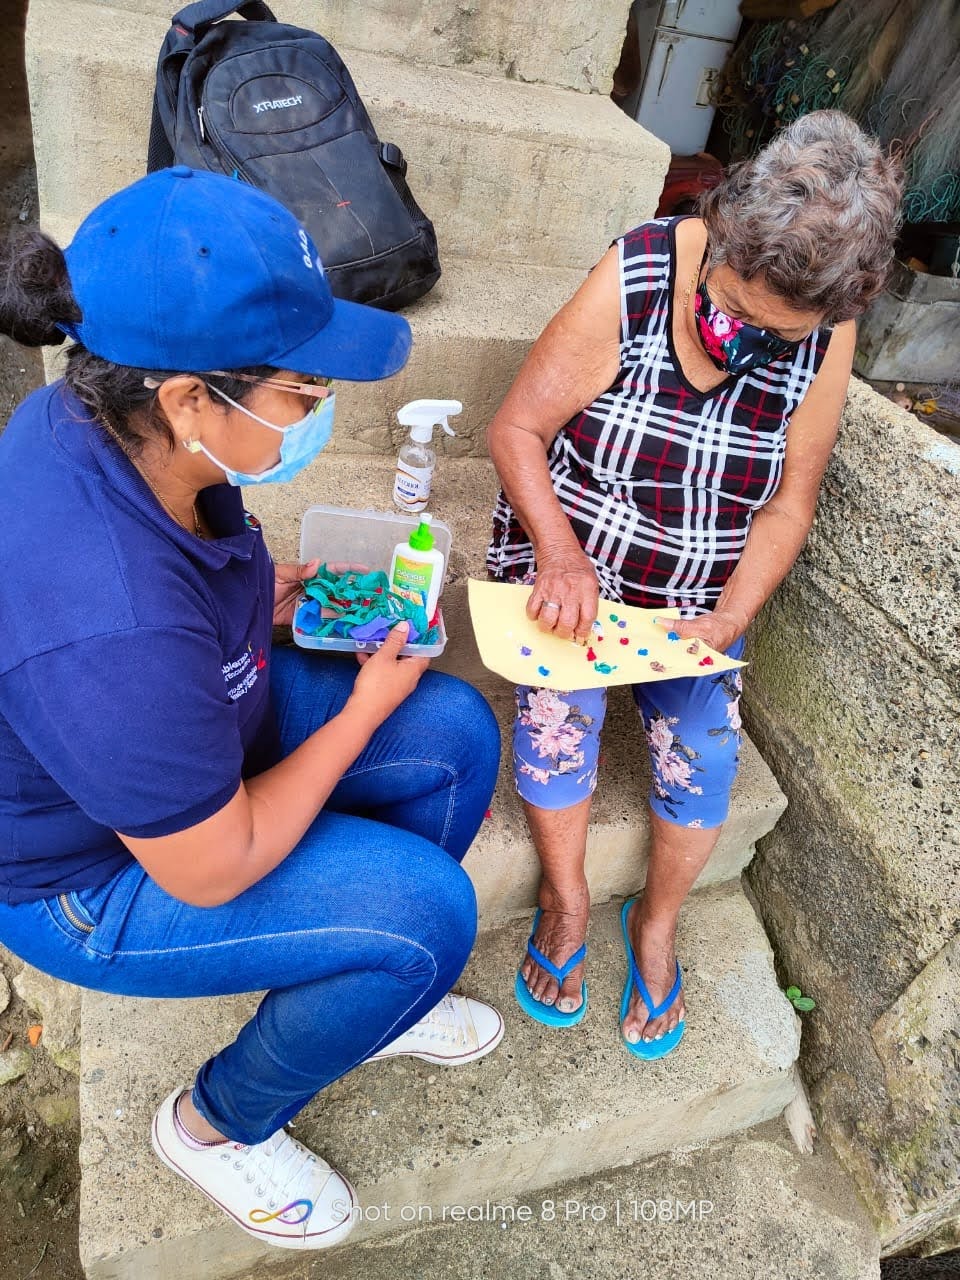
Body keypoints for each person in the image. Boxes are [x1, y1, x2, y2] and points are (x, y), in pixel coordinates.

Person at [0, 167, 503, 1250]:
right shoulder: (110, 623)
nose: (320, 409)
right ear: (189, 398)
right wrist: (359, 711)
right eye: (302, 391)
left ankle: (357, 991)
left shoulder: (111, 421)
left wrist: (253, 602)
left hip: (185, 734)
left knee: (457, 735)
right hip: (92, 878)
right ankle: (217, 1124)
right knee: (427, 918)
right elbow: (210, 864)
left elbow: (178, 592)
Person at [486, 111, 902, 1058]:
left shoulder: (824, 332)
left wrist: (731, 615)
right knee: (557, 725)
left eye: (776, 335)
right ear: (723, 237)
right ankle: (566, 897)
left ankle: (657, 922)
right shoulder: (638, 273)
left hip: (696, 598)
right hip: (576, 568)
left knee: (708, 755)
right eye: (738, 310)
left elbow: (787, 506)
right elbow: (516, 428)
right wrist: (559, 555)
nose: (747, 341)